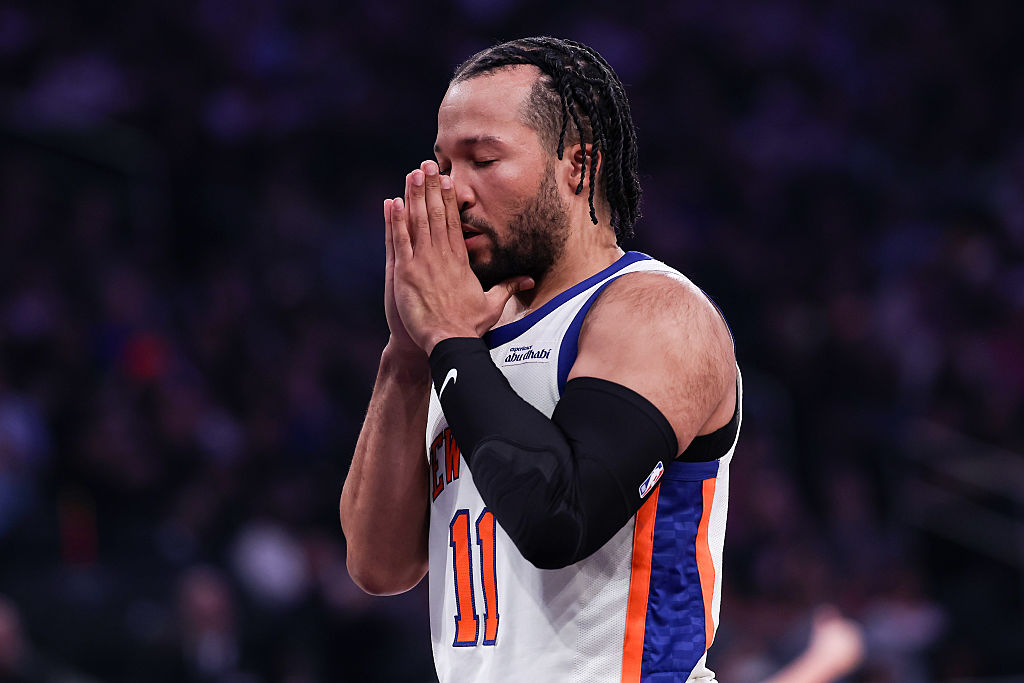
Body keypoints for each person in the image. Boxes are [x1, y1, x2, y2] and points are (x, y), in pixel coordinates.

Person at [339, 36, 740, 682]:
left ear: (578, 166)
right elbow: (377, 565)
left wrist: (445, 339)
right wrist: (405, 357)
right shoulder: (459, 341)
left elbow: (562, 518)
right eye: (443, 163)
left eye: (483, 160)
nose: (453, 191)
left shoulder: (654, 313)